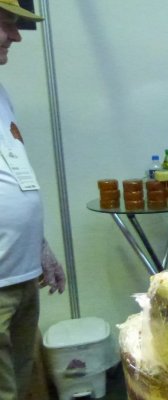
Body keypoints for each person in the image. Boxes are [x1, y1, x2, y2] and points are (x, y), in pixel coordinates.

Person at [0, 2, 66, 399]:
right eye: (7, 23)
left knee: (17, 384)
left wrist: (37, 245)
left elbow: (10, 175)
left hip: (18, 273)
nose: (17, 36)